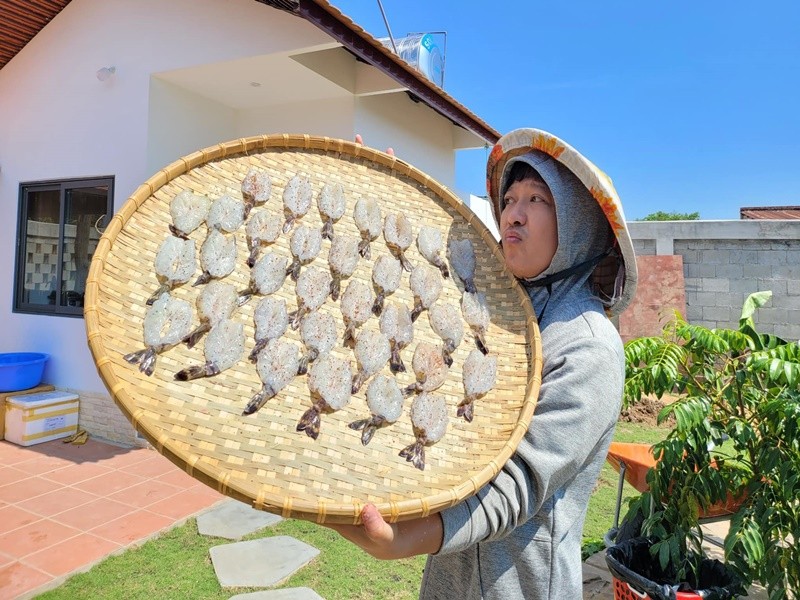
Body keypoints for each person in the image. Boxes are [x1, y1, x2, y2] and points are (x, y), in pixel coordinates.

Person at [333, 128, 638, 599]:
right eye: (510, 197)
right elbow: (413, 299)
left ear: (579, 225)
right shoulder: (496, 313)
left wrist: (407, 538)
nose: (512, 214)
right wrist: (382, 197)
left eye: (538, 198)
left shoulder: (587, 346)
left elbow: (518, 485)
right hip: (447, 582)